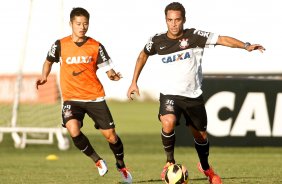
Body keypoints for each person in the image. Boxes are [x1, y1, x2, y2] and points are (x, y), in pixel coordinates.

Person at [127, 2, 265, 184]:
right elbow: (142, 55)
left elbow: (222, 39)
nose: (174, 24)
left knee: (200, 136)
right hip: (170, 94)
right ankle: (169, 163)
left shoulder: (194, 36)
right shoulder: (157, 41)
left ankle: (206, 167)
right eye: (170, 20)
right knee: (168, 122)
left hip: (193, 96)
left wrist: (245, 45)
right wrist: (134, 82)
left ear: (184, 19)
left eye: (177, 20)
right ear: (165, 20)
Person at [36, 7, 132, 183]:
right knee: (73, 129)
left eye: (85, 24)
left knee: (111, 136)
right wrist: (44, 75)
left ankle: (121, 165)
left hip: (94, 97)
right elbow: (48, 61)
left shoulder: (95, 45)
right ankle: (98, 161)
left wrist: (113, 76)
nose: (82, 27)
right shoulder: (60, 44)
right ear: (71, 24)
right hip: (71, 98)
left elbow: (108, 69)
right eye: (78, 24)